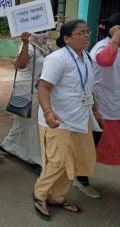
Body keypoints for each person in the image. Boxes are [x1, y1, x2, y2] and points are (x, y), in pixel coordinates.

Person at [33, 20, 103, 220]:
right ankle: (40, 194)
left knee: (73, 162)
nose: (86, 35)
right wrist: (48, 112)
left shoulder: (86, 57)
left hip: (80, 118)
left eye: (87, 31)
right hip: (58, 119)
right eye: (81, 32)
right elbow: (44, 87)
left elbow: (88, 89)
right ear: (67, 38)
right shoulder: (57, 59)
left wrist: (96, 111)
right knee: (58, 161)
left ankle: (57, 197)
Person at [0, 31, 55, 174]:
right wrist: (24, 44)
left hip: (41, 89)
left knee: (24, 122)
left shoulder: (47, 46)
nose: (43, 31)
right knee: (33, 124)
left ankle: (10, 145)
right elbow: (20, 65)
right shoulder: (29, 45)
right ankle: (36, 159)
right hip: (28, 89)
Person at [91, 13, 120, 167]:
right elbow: (106, 60)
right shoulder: (102, 47)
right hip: (102, 108)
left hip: (117, 105)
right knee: (92, 145)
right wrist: (116, 35)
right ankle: (81, 177)